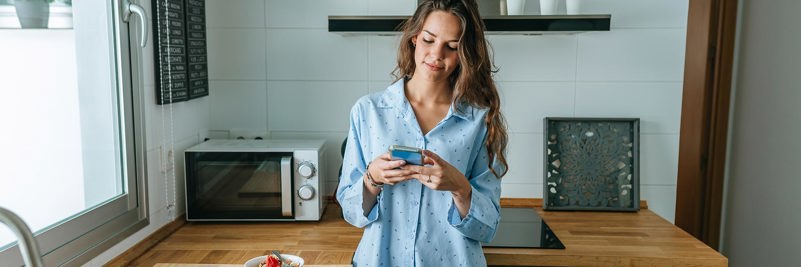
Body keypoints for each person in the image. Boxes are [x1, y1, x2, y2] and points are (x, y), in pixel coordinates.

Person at [336, 0, 508, 266]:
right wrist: (372, 178)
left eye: (452, 47)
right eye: (429, 40)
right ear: (414, 37)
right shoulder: (368, 111)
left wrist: (460, 187)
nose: (437, 55)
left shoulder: (481, 121)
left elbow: (487, 228)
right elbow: (350, 211)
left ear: (465, 54)